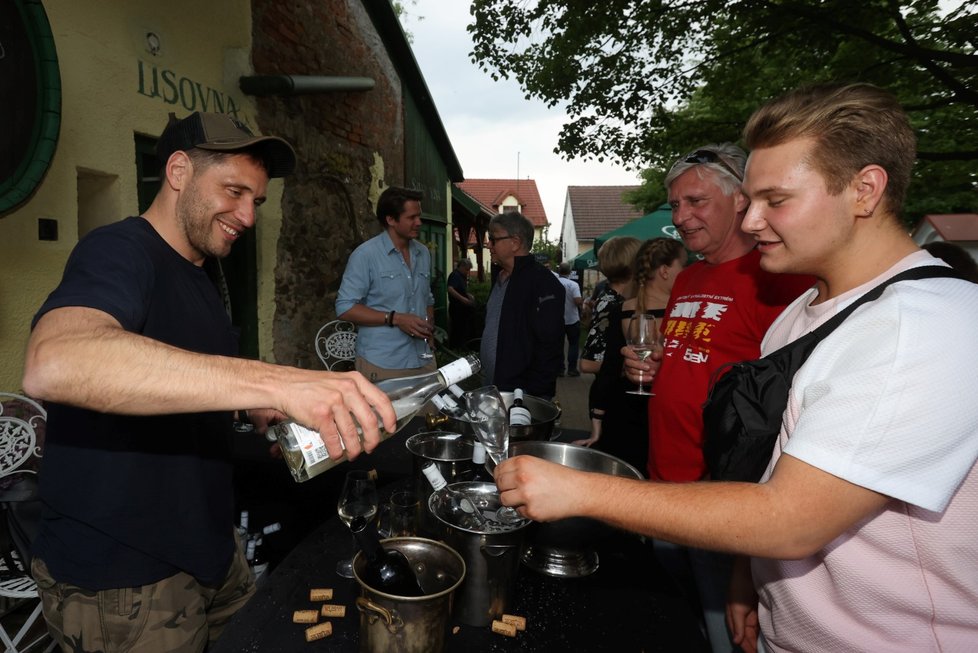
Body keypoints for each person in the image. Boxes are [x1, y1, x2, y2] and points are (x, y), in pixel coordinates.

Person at [495, 83, 978, 653]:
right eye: (751, 200)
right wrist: (749, 572)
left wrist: (583, 491)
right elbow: (772, 462)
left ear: (864, 191)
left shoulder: (924, 324)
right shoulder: (805, 310)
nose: (751, 223)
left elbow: (792, 517)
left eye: (777, 200)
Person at [22, 111, 397, 651]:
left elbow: (179, 382)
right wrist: (275, 382)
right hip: (126, 579)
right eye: (233, 191)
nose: (247, 215)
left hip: (211, 551)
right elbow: (55, 361)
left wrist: (251, 407)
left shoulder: (200, 271)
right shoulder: (119, 250)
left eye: (257, 201)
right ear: (178, 171)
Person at [576, 237, 686, 472]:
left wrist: (597, 422)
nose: (685, 273)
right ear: (665, 271)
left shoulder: (623, 310)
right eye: (682, 267)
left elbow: (609, 369)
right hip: (665, 413)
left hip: (622, 409)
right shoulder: (684, 311)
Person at [336, 186, 436, 382]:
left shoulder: (422, 253)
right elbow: (344, 308)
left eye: (419, 216)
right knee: (385, 415)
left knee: (426, 414)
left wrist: (429, 333)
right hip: (382, 363)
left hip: (423, 360)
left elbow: (427, 298)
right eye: (412, 217)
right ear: (391, 220)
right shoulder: (365, 255)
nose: (419, 222)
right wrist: (395, 318)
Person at [479, 212, 564, 399]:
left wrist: (535, 396)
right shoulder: (501, 277)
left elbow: (550, 347)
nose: (488, 244)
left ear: (515, 243)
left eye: (493, 239)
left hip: (521, 394)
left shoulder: (543, 284)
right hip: (493, 386)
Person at [579, 236, 641, 375]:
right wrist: (633, 367)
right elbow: (588, 364)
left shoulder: (611, 298)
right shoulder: (612, 305)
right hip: (612, 392)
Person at [557, 261, 584, 376]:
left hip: (557, 319)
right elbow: (577, 301)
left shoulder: (554, 282)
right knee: (573, 344)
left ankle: (560, 369)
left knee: (558, 344)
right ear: (569, 272)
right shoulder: (573, 285)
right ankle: (572, 369)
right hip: (572, 319)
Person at [446, 258, 476, 349]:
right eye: (466, 269)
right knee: (457, 331)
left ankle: (461, 348)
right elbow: (451, 289)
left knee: (463, 330)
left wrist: (468, 295)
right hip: (457, 308)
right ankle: (455, 349)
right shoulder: (455, 275)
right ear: (461, 266)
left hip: (463, 309)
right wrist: (463, 299)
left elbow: (460, 289)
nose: (467, 272)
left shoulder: (461, 276)